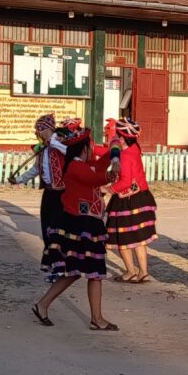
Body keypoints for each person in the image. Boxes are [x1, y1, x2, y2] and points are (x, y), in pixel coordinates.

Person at [34, 128, 122, 331]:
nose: (92, 149)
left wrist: (115, 149)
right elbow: (96, 178)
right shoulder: (75, 167)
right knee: (92, 271)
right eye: (90, 146)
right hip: (81, 225)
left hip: (86, 223)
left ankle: (44, 305)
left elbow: (103, 162)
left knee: (76, 271)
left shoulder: (85, 165)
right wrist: (112, 172)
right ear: (84, 148)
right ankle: (96, 319)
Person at [9, 114, 69, 280]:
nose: (37, 133)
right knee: (46, 229)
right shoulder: (42, 149)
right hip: (49, 193)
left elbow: (70, 153)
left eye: (39, 130)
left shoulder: (62, 142)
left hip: (62, 193)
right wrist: (19, 179)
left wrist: (54, 142)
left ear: (48, 129)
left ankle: (60, 269)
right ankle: (53, 266)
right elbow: (36, 169)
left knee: (57, 231)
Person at [105, 118, 158, 283]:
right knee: (139, 239)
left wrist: (108, 189)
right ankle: (143, 272)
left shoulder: (125, 155)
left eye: (117, 136)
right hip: (142, 197)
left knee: (123, 238)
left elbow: (126, 182)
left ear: (122, 138)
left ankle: (130, 272)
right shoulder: (135, 148)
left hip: (126, 201)